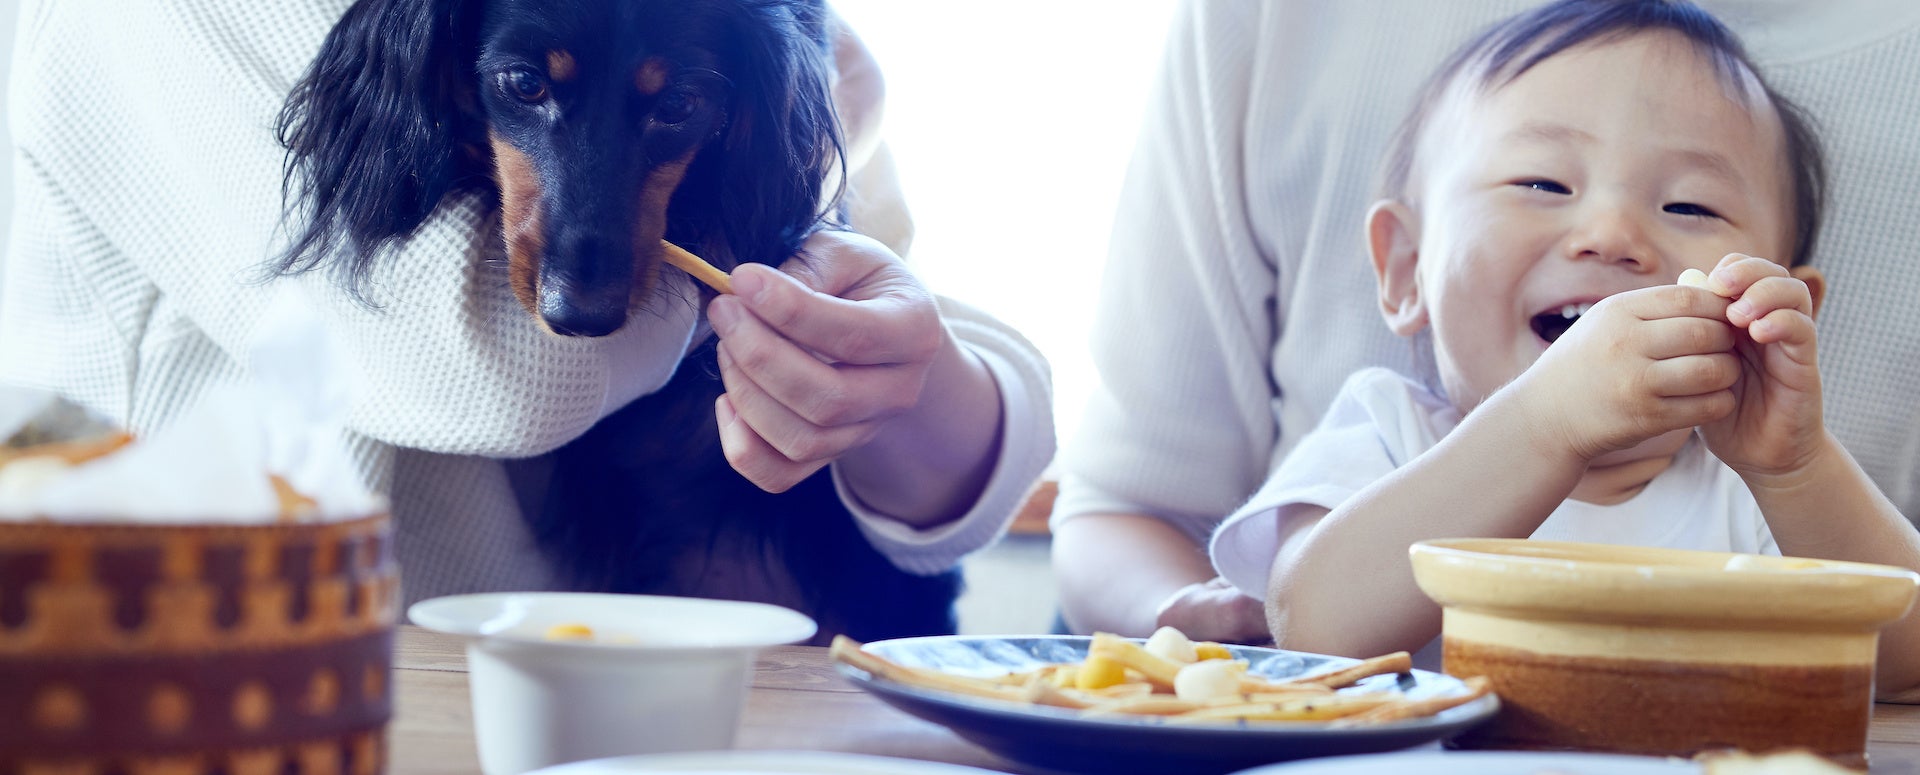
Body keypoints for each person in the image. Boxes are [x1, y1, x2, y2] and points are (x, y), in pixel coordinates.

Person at [0, 0, 1054, 612]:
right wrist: (810, 157)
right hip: (247, 671)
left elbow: (891, 302)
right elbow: (506, 368)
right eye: (523, 90)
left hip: (661, 657)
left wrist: (911, 361)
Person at [1052, 0, 1920, 646]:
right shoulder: (1386, 439)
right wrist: (1548, 419)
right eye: (1543, 183)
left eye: (1689, 203)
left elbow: (1902, 659)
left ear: (1785, 304)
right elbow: (1310, 622)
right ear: (1403, 271)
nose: (1614, 235)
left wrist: (1799, 466)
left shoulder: (1751, 497)